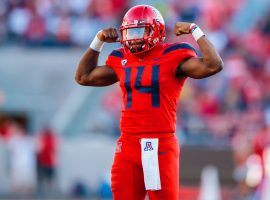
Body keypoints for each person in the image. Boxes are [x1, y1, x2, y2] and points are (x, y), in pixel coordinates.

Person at [75, 4, 223, 200]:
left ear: (156, 31)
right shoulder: (121, 57)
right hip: (127, 145)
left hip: (160, 145)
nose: (134, 38)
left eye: (140, 31)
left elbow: (214, 64)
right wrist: (98, 41)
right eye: (130, 31)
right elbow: (83, 77)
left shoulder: (174, 54)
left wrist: (194, 30)